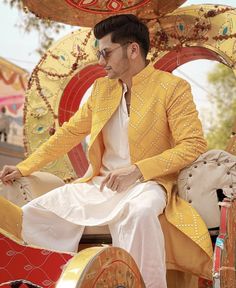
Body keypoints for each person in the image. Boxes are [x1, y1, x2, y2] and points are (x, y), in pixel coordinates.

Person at [0, 14, 212, 288]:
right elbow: (69, 133)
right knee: (34, 213)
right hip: (100, 185)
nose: (101, 62)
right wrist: (24, 167)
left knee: (140, 213)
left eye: (106, 53)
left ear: (133, 50)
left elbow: (193, 144)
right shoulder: (102, 90)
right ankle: (49, 281)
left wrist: (137, 171)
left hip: (148, 184)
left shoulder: (172, 88)